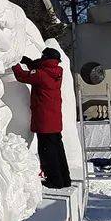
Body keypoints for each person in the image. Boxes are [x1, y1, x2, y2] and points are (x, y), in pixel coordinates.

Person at [13, 47, 71, 189]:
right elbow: (42, 68)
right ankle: (64, 179)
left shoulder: (41, 75)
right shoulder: (57, 72)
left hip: (44, 121)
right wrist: (30, 62)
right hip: (54, 121)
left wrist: (13, 62)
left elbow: (22, 76)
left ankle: (54, 180)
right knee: (58, 150)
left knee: (47, 153)